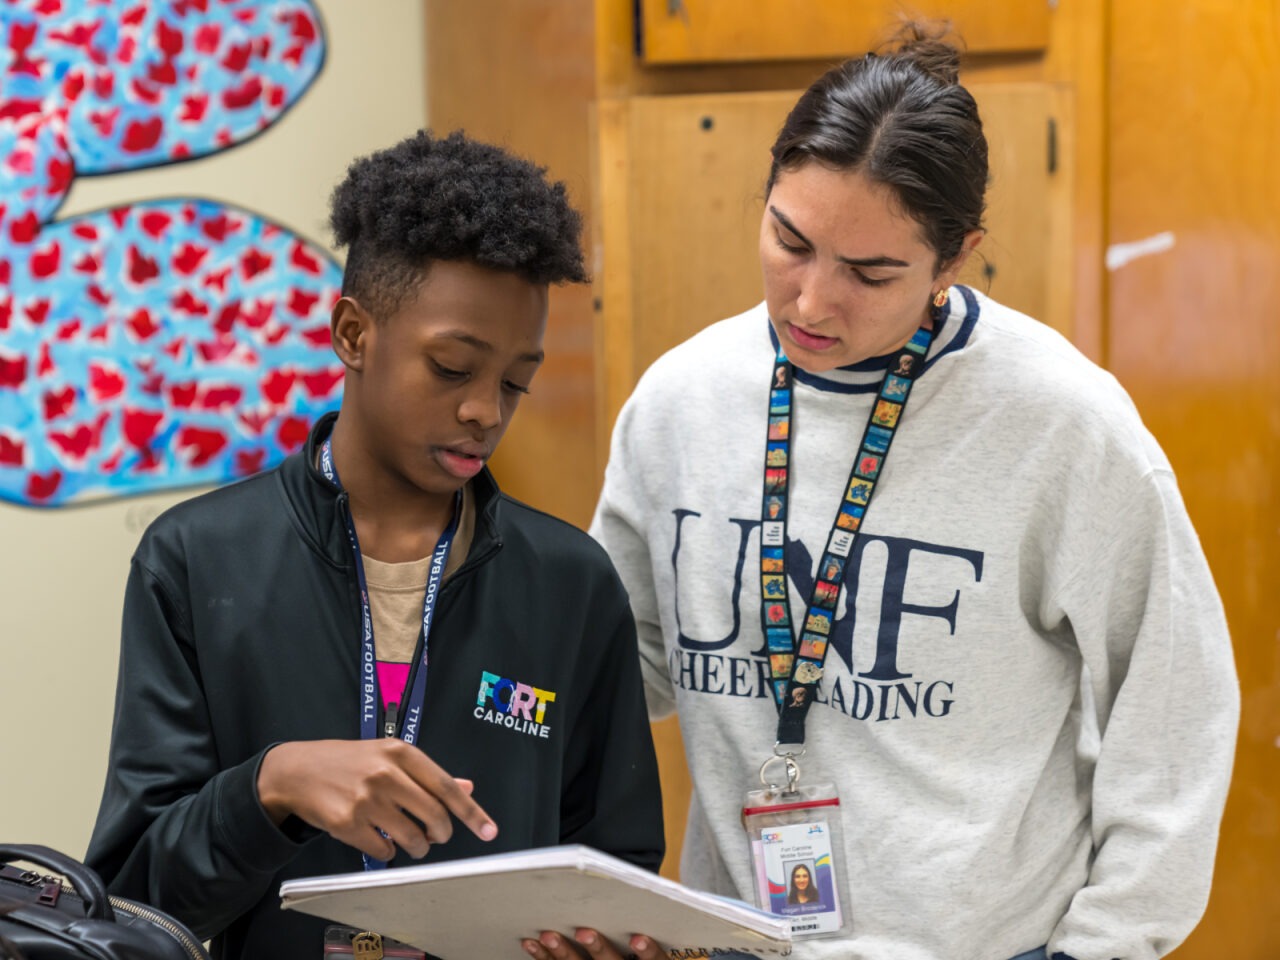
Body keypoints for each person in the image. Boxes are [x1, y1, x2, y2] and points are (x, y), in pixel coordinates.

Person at [540, 22, 1239, 960]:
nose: (811, 302)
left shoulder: (1065, 425)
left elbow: (1174, 711)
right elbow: (621, 669)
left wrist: (1106, 948)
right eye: (791, 240)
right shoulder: (681, 400)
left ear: (955, 258)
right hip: (735, 941)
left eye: (872, 273)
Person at [85, 130, 663, 959]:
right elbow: (137, 904)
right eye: (453, 367)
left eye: (514, 382)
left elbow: (619, 874)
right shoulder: (196, 560)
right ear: (354, 336)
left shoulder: (572, 584)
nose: (485, 412)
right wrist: (271, 786)